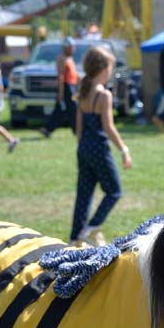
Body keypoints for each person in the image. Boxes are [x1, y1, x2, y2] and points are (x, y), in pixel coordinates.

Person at [69, 46, 133, 247]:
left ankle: (74, 238)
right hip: (99, 148)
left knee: (84, 193)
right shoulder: (103, 95)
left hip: (83, 148)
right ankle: (92, 227)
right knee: (114, 191)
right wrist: (124, 149)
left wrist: (83, 147)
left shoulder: (84, 92)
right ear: (104, 69)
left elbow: (78, 129)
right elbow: (108, 127)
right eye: (111, 69)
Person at [41, 37, 79, 137]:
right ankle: (77, 130)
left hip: (72, 86)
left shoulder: (69, 58)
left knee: (61, 109)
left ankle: (48, 129)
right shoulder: (62, 58)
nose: (73, 49)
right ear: (66, 48)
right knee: (72, 109)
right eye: (71, 47)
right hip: (66, 87)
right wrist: (61, 92)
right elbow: (61, 76)